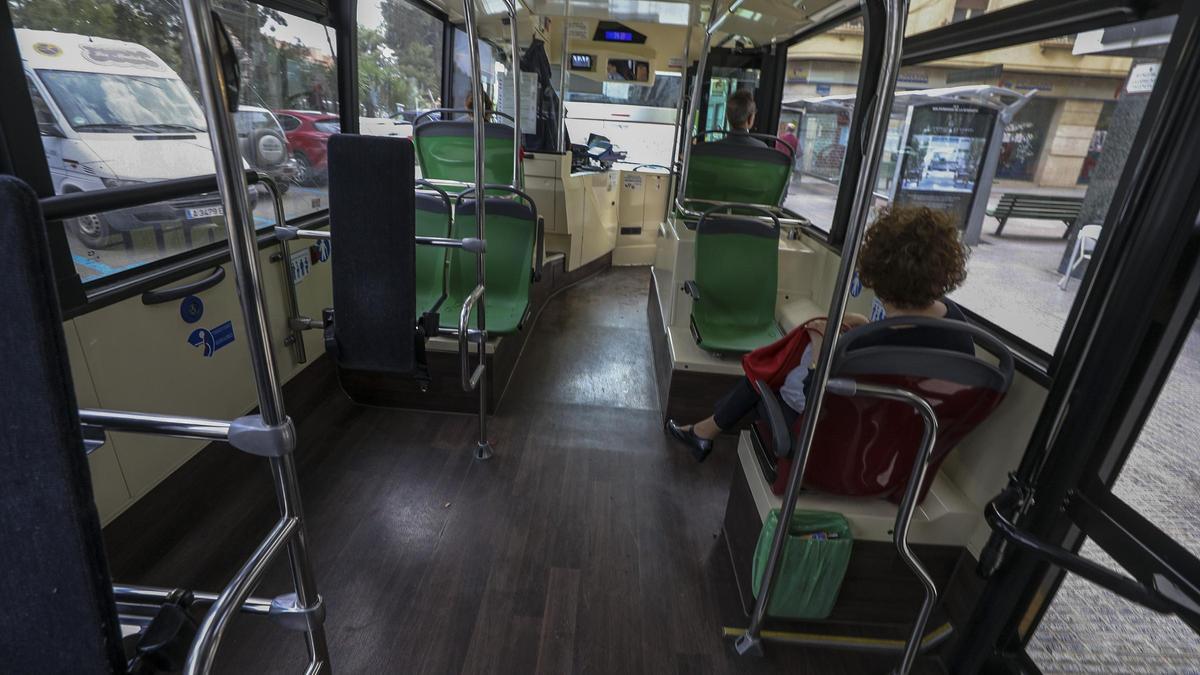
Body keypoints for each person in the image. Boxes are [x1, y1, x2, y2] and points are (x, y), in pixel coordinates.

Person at [666, 205, 974, 462]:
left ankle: (704, 432)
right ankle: (704, 431)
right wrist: (865, 325)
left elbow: (819, 405)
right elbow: (908, 348)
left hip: (839, 447)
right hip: (902, 453)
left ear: (877, 274)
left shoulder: (864, 348)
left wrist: (821, 345)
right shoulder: (959, 330)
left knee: (769, 373)